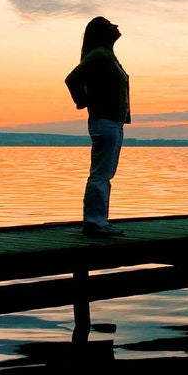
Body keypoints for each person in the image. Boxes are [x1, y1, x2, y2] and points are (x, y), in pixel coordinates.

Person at [66, 16, 131, 237]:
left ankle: (98, 221)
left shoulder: (107, 56)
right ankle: (95, 222)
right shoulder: (100, 55)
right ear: (102, 33)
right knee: (101, 174)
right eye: (111, 25)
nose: (117, 26)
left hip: (112, 122)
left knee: (104, 173)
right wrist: (82, 101)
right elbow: (72, 78)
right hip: (105, 122)